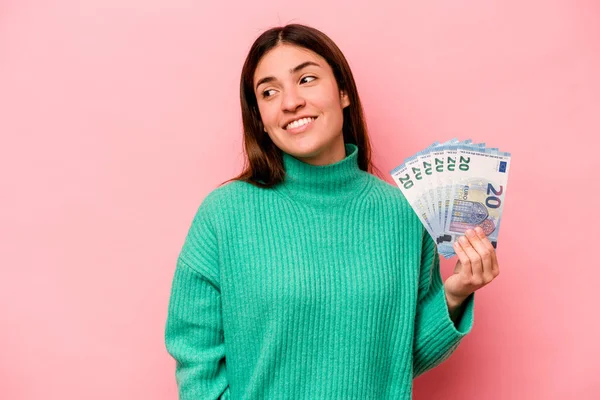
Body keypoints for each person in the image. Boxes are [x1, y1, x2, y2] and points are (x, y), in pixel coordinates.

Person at [164, 23, 500, 399]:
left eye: (306, 79)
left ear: (343, 92)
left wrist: (456, 293)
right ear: (260, 117)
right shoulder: (224, 215)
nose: (290, 102)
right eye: (269, 92)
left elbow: (393, 360)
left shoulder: (404, 214)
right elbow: (196, 361)